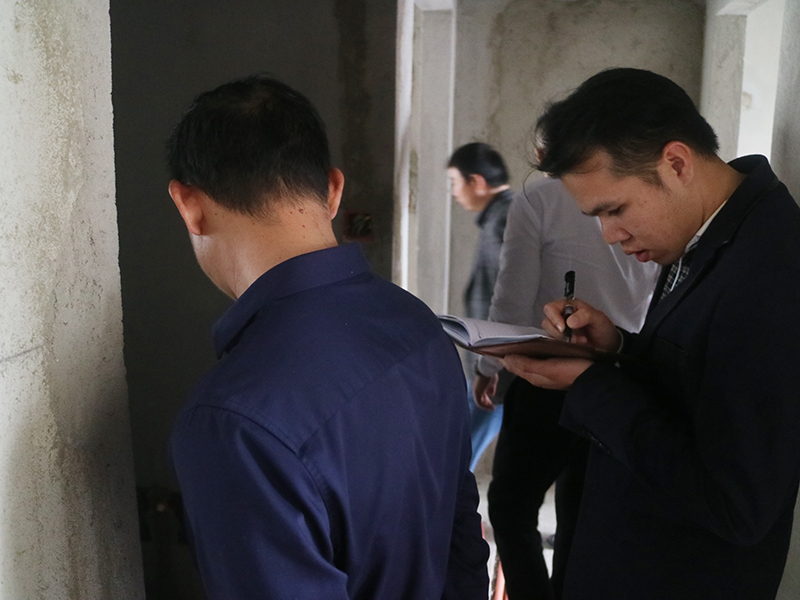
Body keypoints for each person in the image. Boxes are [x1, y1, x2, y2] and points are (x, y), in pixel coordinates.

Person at [165, 73, 489, 599]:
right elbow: (462, 543)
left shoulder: (232, 420)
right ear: (334, 190)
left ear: (188, 205)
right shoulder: (419, 324)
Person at [502, 67, 800, 600]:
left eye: (614, 210)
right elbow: (700, 381)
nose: (609, 235)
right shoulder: (712, 231)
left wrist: (591, 384)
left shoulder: (772, 268)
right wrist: (617, 347)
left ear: (676, 163)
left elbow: (738, 504)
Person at [473, 175, 657, 599]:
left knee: (511, 506)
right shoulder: (642, 190)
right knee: (580, 513)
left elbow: (512, 297)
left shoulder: (539, 197)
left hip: (548, 378)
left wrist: (488, 365)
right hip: (623, 374)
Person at [447, 142, 513, 470]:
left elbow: (509, 296)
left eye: (454, 182)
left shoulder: (504, 219)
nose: (454, 192)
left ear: (476, 182)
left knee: (457, 460)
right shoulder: (499, 217)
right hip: (493, 361)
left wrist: (489, 366)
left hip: (496, 364)